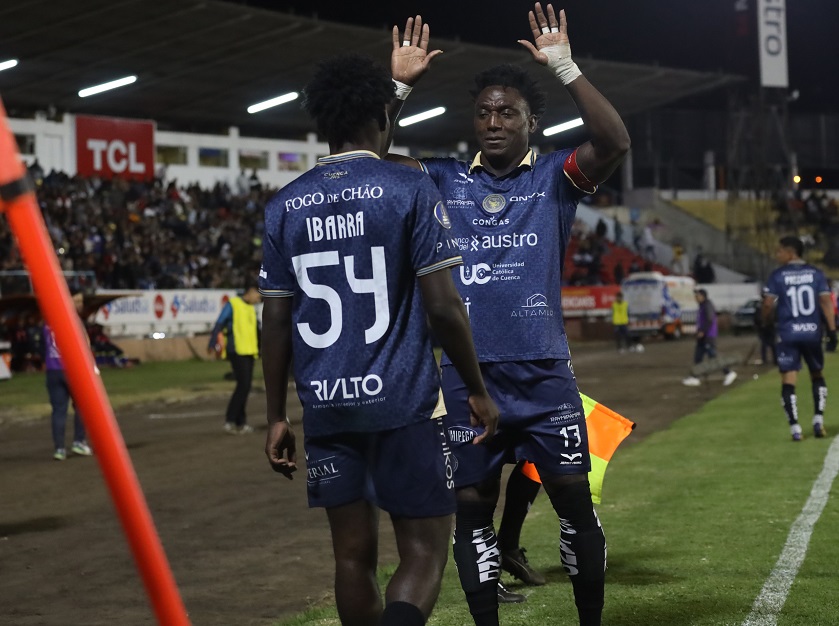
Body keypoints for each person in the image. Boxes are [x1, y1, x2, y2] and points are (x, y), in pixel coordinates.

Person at [387, 5, 630, 625]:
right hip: (468, 381)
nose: (493, 122)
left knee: (575, 504)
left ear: (532, 122)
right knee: (472, 511)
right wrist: (397, 90)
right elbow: (369, 160)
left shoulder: (556, 178)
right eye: (485, 112)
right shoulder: (438, 179)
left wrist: (566, 67)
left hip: (546, 375)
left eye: (508, 112)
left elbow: (615, 141)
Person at [259, 52, 499, 626]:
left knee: (351, 557)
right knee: (424, 550)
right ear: (382, 118)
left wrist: (274, 415)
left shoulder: (283, 204)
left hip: (326, 408)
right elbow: (443, 307)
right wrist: (476, 386)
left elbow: (274, 320)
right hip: (404, 402)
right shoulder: (408, 187)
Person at [761, 236, 837, 441]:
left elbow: (768, 303)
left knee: (788, 380)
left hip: (788, 334)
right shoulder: (816, 273)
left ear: (790, 252)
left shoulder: (778, 275)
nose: (777, 255)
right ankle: (818, 420)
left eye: (780, 251)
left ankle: (795, 428)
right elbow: (825, 302)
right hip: (812, 332)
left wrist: (765, 322)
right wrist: (831, 330)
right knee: (817, 374)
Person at [44, 290, 93, 461]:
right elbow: (84, 344)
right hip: (71, 370)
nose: (80, 304)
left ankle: (59, 449)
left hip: (52, 371)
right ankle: (79, 442)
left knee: (58, 411)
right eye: (77, 300)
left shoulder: (49, 318)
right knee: (83, 405)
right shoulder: (73, 319)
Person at [208, 283, 262, 434]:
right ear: (250, 292)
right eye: (258, 296)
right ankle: (231, 420)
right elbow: (220, 322)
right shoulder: (233, 304)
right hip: (236, 351)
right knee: (243, 386)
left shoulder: (251, 309)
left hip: (249, 351)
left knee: (244, 386)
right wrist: (212, 342)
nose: (258, 299)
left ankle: (240, 422)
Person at [682, 289, 737, 387]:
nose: (696, 297)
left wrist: (703, 331)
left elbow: (710, 319)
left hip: (708, 336)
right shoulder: (703, 306)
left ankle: (728, 373)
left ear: (703, 296)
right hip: (703, 336)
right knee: (698, 357)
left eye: (697, 295)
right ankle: (695, 377)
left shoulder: (707, 305)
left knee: (713, 356)